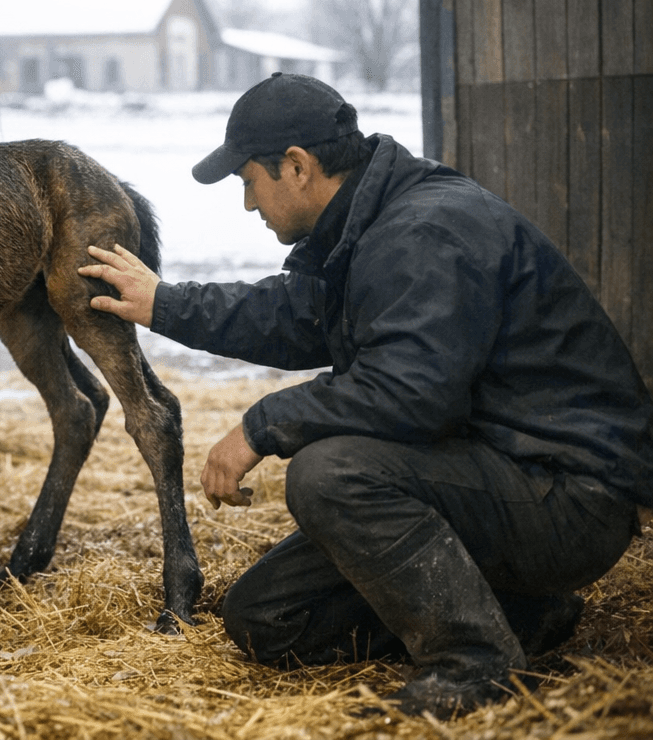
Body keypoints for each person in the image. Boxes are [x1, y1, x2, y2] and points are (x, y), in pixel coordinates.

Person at [79, 72, 653, 719]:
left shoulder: (426, 230)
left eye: (247, 181)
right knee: (268, 618)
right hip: (498, 474)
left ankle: (474, 660)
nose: (247, 205)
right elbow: (298, 315)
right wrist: (166, 303)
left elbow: (411, 394)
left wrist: (261, 427)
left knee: (330, 474)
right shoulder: (363, 226)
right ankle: (522, 612)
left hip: (568, 498)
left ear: (295, 166)